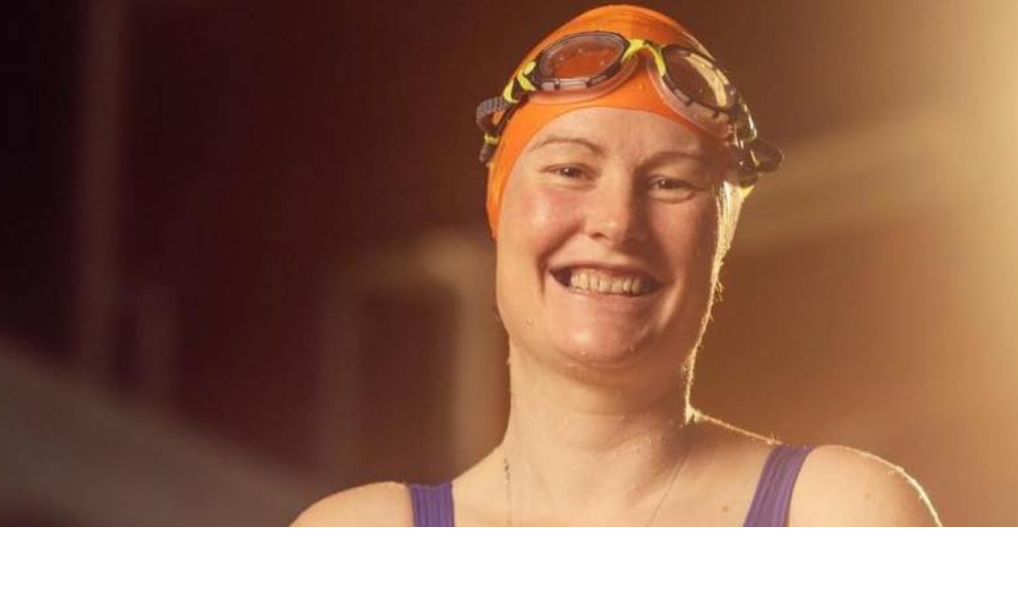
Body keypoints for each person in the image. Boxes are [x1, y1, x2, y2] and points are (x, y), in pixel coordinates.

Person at [293, 4, 939, 527]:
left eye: (670, 183)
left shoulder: (838, 522)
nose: (617, 221)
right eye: (570, 170)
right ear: (499, 209)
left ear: (717, 240)